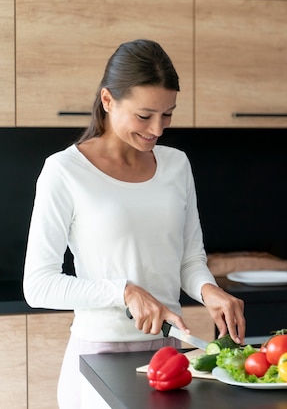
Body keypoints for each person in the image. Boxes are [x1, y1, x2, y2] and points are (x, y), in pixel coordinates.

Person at [22, 39, 246, 408]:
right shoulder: (64, 171)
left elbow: (189, 259)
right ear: (108, 101)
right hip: (100, 357)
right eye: (144, 116)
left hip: (170, 356)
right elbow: (39, 285)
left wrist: (209, 290)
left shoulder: (176, 165)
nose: (157, 130)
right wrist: (124, 291)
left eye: (168, 114)